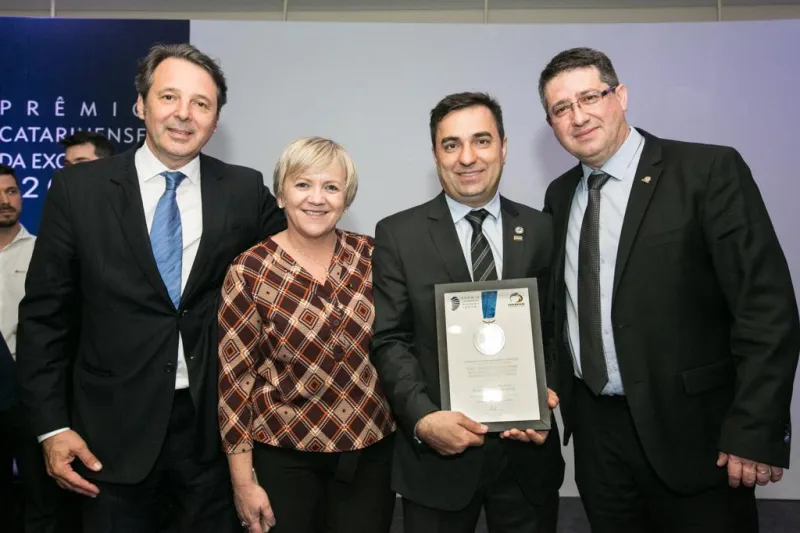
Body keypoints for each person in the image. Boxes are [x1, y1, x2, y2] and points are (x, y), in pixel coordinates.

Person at [16, 43, 286, 533]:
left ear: (216, 118)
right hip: (107, 440)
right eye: (169, 97)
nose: (184, 115)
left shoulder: (244, 191)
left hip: (210, 436)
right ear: (141, 104)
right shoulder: (80, 190)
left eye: (201, 104)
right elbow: (44, 319)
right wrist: (52, 428)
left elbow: (298, 253)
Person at [539, 47, 800, 533]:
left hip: (698, 438)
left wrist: (755, 428)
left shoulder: (706, 172)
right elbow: (563, 311)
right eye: (560, 109)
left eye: (589, 97)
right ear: (551, 124)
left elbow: (766, 309)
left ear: (621, 96)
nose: (578, 116)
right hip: (599, 440)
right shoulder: (559, 196)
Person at [371, 92, 565, 533]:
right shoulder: (398, 234)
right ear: (435, 153)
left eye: (481, 140)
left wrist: (545, 396)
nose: (467, 158)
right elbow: (390, 339)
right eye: (451, 144)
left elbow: (556, 331)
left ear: (503, 146)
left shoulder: (540, 229)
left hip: (526, 458)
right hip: (437, 460)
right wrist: (422, 418)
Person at [218, 136, 397, 533]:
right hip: (284, 459)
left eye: (331, 187)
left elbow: (404, 345)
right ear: (281, 193)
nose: (317, 198)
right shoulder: (248, 270)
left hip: (370, 455)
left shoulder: (373, 257)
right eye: (303, 184)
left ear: (346, 200)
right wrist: (243, 483)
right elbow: (235, 384)